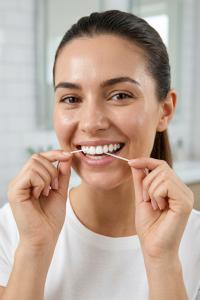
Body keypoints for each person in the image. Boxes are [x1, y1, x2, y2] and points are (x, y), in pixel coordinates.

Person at [0, 9, 199, 300]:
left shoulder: (194, 240)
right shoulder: (12, 229)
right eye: (71, 98)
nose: (92, 122)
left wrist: (163, 261)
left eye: (120, 95)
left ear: (164, 110)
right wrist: (34, 249)